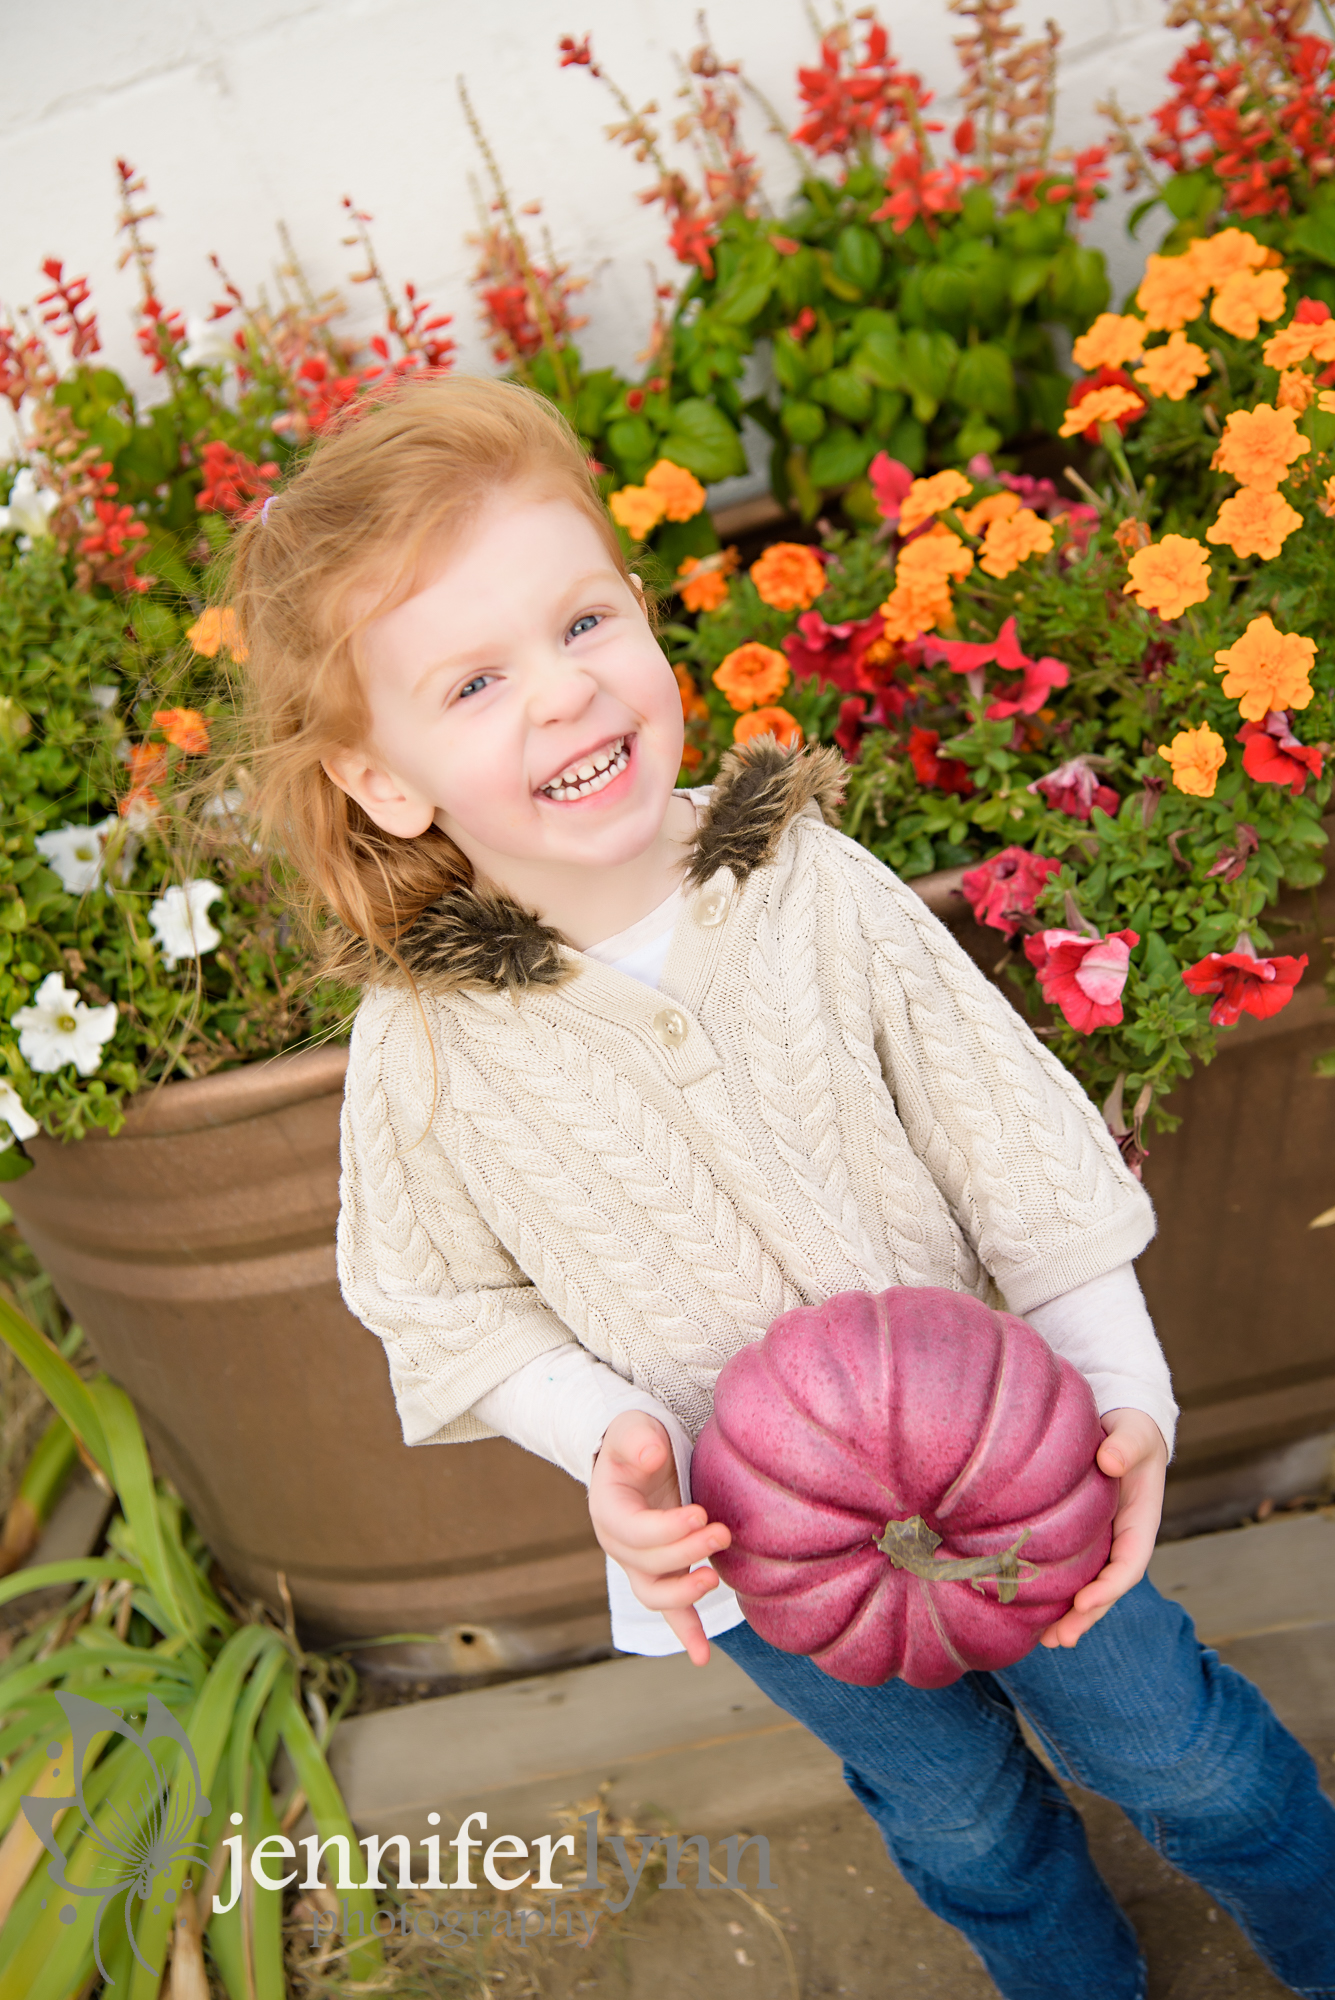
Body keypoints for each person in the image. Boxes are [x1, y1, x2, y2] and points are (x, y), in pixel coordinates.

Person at [228, 375, 1335, 2000]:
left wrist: (1121, 1391)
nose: (563, 692)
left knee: (1180, 1754)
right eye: (473, 679)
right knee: (957, 1813)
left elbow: (1011, 1142)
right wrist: (603, 1434)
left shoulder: (810, 885)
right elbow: (431, 1296)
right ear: (386, 783)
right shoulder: (431, 1047)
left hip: (1019, 1474)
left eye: (584, 620)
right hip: (760, 1561)